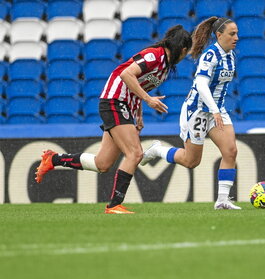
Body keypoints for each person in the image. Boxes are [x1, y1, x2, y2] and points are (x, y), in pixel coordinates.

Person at [35, 25, 193, 214]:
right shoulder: (155, 55)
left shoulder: (165, 68)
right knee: (135, 153)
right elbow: (126, 74)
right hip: (114, 100)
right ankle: (114, 205)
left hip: (123, 105)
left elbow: (138, 85)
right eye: (186, 52)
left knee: (102, 163)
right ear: (182, 49)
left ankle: (54, 159)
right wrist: (148, 100)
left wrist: (138, 114)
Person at [140, 17, 241, 210]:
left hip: (217, 111)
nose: (236, 37)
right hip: (198, 111)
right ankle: (157, 150)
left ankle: (222, 200)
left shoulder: (231, 56)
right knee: (191, 161)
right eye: (232, 33)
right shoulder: (210, 56)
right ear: (219, 35)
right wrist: (213, 110)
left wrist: (216, 110)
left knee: (231, 151)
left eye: (236, 33)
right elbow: (201, 84)